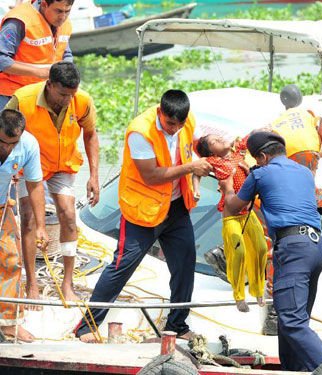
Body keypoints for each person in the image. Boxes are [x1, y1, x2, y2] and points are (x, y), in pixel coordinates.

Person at [74, 89, 212, 343]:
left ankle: (178, 325)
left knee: (185, 264)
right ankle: (87, 326)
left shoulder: (186, 122)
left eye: (179, 124)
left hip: (176, 208)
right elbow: (151, 175)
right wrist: (191, 167)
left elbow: (194, 144)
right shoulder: (140, 131)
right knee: (121, 267)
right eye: (170, 124)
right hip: (143, 212)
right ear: (160, 112)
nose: (174, 129)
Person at [219, 131, 322, 371]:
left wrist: (228, 187)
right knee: (293, 320)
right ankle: (293, 371)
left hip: (293, 249)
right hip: (316, 246)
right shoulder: (303, 172)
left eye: (257, 160)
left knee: (291, 321)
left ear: (262, 156)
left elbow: (234, 207)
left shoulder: (260, 174)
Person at [5, 61, 98, 304]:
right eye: (62, 94)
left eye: (72, 94)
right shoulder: (22, 99)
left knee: (68, 215)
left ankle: (67, 284)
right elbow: (7, 134)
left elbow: (90, 134)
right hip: (30, 166)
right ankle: (32, 285)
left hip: (63, 164)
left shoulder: (83, 102)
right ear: (49, 85)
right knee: (28, 218)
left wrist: (94, 175)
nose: (68, 100)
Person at [194, 133, 268, 312]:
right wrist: (196, 190)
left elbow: (249, 137)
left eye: (218, 137)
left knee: (261, 248)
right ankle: (239, 295)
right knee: (239, 253)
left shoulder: (239, 154)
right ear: (211, 152)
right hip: (231, 216)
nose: (219, 139)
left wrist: (264, 130)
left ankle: (258, 290)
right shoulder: (213, 162)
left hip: (248, 213)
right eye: (214, 142)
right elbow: (196, 172)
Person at [0, 109, 48, 342]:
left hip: (1, 207)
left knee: (11, 260)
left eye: (13, 143)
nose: (7, 149)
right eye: (2, 142)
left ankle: (9, 324)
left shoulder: (28, 145)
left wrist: (40, 226)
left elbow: (35, 185)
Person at [270, 107, 322, 217]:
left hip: (246, 153)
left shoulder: (301, 113)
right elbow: (307, 192)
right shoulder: (307, 150)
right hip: (251, 183)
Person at [0, 0, 73, 110]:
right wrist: (38, 72)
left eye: (67, 11)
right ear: (44, 4)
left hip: (40, 96)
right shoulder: (18, 21)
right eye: (58, 11)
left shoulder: (64, 23)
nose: (62, 17)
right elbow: (1, 59)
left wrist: (67, 68)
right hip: (11, 96)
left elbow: (65, 52)